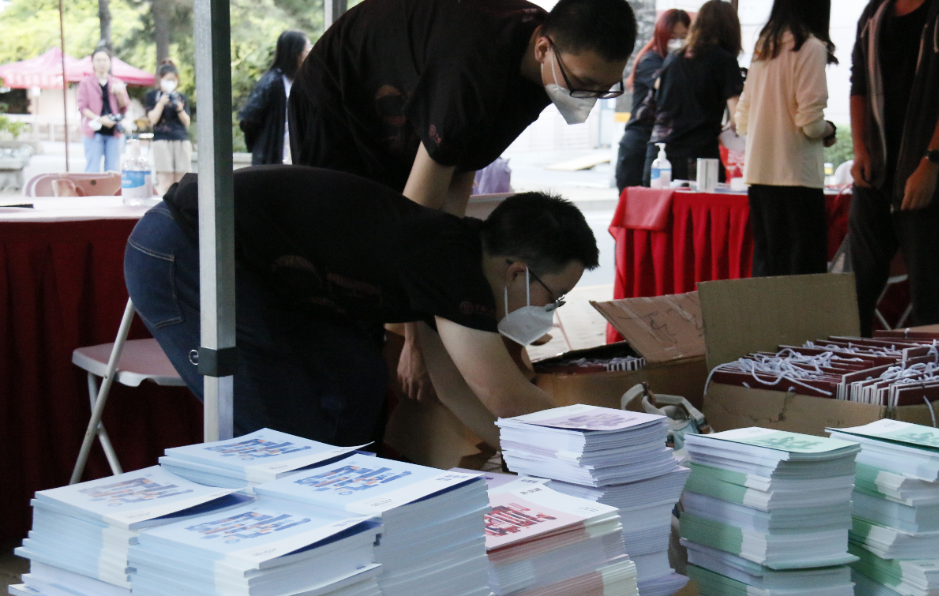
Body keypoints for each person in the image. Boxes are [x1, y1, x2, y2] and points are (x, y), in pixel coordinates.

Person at [289, 0, 634, 404]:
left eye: (605, 89)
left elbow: (460, 170)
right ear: (543, 48)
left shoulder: (542, 70)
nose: (590, 99)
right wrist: (411, 336)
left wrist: (446, 299)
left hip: (408, 103)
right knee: (352, 273)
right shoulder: (474, 69)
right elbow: (411, 224)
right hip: (341, 104)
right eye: (583, 83)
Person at [123, 165, 598, 447]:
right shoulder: (453, 269)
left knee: (357, 379)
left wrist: (517, 455)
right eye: (552, 296)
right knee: (283, 434)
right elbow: (505, 397)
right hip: (185, 248)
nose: (550, 310)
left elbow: (454, 389)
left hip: (252, 269)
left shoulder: (453, 261)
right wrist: (601, 441)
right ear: (516, 273)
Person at [848, 0, 939, 337]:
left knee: (928, 292)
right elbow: (859, 84)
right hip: (875, 174)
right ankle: (848, 365)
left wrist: (931, 162)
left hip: (930, 175)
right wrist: (860, 148)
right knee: (855, 290)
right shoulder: (875, 11)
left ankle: (934, 368)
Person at [735, 0, 838, 278]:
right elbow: (810, 124)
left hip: (759, 174)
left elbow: (742, 118)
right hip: (797, 177)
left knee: (768, 269)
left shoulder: (764, 47)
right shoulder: (811, 47)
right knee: (802, 276)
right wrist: (829, 130)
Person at [644, 0, 744, 184]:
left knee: (660, 203)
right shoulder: (725, 60)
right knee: (701, 202)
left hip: (659, 155)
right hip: (698, 156)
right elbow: (739, 117)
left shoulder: (674, 57)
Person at [614, 9, 691, 192]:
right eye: (672, 36)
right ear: (661, 35)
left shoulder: (682, 65)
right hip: (639, 145)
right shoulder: (650, 60)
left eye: (684, 36)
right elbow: (668, 86)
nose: (678, 42)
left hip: (663, 147)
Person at [238, 31, 311, 166]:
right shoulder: (272, 82)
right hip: (274, 159)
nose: (310, 52)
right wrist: (263, 144)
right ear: (297, 53)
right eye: (308, 48)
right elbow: (249, 120)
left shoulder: (300, 82)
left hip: (294, 160)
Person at [77, 48, 130, 173]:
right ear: (92, 62)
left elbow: (124, 107)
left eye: (105, 60)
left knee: (113, 169)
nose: (102, 63)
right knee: (92, 169)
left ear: (110, 62)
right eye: (98, 60)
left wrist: (119, 94)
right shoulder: (85, 83)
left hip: (114, 131)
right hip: (93, 130)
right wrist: (100, 119)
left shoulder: (117, 82)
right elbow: (82, 107)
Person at [143, 60, 192, 194]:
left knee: (181, 179)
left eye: (173, 80)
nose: (170, 83)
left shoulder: (181, 97)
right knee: (165, 179)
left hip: (180, 138)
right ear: (160, 79)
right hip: (162, 139)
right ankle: (165, 203)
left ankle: (180, 204)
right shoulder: (152, 96)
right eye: (167, 80)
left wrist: (179, 108)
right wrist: (161, 103)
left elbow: (187, 122)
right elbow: (152, 119)